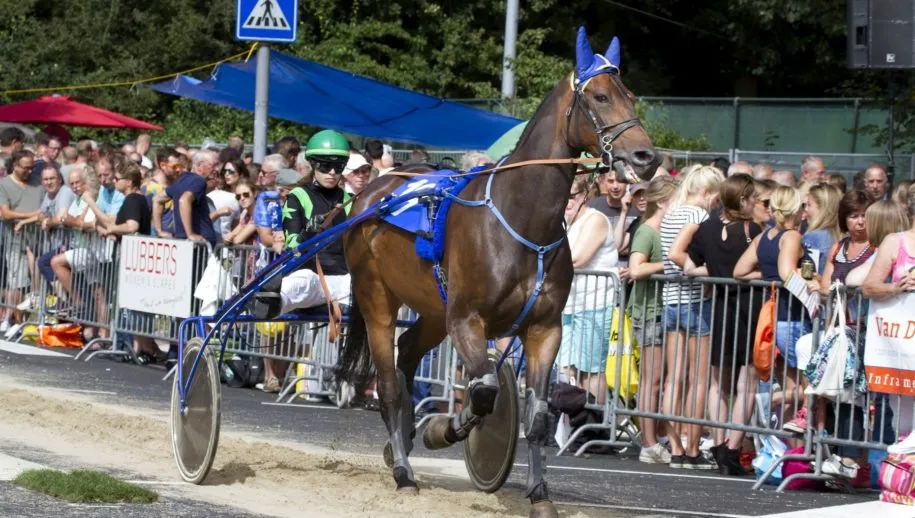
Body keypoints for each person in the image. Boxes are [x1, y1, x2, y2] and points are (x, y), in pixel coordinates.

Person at [249, 130, 353, 392]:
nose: (332, 172)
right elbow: (294, 243)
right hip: (312, 273)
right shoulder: (298, 196)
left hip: (342, 278)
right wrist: (311, 230)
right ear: (314, 165)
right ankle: (269, 301)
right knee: (302, 282)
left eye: (338, 166)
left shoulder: (350, 200)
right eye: (326, 166)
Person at [684, 174, 762, 475]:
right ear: (742, 199)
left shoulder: (707, 227)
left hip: (719, 305)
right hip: (749, 307)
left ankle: (719, 443)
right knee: (746, 383)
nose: (756, 202)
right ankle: (732, 449)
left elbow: (688, 263)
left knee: (718, 382)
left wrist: (706, 272)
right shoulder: (752, 230)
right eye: (753, 197)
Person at [734, 186, 815, 435]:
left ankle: (786, 447)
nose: (804, 211)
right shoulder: (791, 236)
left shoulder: (763, 237)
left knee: (793, 385)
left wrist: (766, 276)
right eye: (802, 206)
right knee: (808, 387)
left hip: (777, 318)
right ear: (795, 209)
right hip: (793, 317)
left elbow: (740, 271)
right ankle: (770, 401)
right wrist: (813, 284)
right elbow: (785, 272)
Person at [661, 164, 724, 470]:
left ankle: (675, 446)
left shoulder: (671, 213)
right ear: (708, 192)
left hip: (671, 298)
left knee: (673, 378)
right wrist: (696, 269)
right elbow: (677, 254)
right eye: (717, 197)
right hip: (696, 300)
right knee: (698, 381)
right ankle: (692, 447)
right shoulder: (699, 216)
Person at [628, 176, 678, 465]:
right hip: (649, 311)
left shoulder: (666, 229)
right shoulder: (647, 231)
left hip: (663, 309)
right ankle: (648, 443)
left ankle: (656, 437)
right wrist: (669, 263)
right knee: (652, 380)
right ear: (662, 202)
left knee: (660, 380)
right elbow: (636, 269)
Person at [558, 177, 618, 405]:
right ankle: (568, 418)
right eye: (563, 195)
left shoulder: (595, 219)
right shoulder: (566, 222)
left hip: (594, 305)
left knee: (590, 371)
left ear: (584, 195)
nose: (566, 201)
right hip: (568, 305)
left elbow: (578, 259)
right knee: (565, 368)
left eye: (572, 196)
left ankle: (595, 418)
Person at [863, 184, 915, 442]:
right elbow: (869, 286)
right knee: (903, 417)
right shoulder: (895, 241)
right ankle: (904, 460)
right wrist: (896, 287)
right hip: (902, 344)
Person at [153, 149, 218, 245]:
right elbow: (184, 200)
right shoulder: (199, 181)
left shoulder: (182, 179)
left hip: (184, 243)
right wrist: (190, 234)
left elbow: (158, 199)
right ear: (200, 166)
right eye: (214, 165)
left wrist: (159, 230)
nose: (217, 169)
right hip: (199, 245)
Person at [802, 183, 842, 275]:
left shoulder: (813, 237)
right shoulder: (841, 235)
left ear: (822, 208)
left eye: (809, 205)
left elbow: (807, 274)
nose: (806, 209)